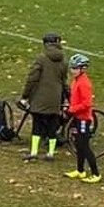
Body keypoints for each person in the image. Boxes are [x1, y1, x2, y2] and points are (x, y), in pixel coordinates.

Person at [21, 33, 69, 162]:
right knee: (52, 126)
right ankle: (51, 154)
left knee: (37, 125)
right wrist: (67, 97)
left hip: (40, 98)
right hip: (55, 99)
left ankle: (34, 152)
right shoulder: (63, 61)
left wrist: (25, 95)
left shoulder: (41, 59)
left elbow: (32, 78)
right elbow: (64, 82)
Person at [63, 54, 99, 183]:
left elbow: (86, 104)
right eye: (71, 68)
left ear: (82, 69)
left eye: (75, 68)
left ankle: (96, 173)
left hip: (83, 119)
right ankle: (80, 170)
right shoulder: (76, 81)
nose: (72, 70)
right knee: (78, 144)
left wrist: (71, 109)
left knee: (84, 146)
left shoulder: (84, 83)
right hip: (77, 118)